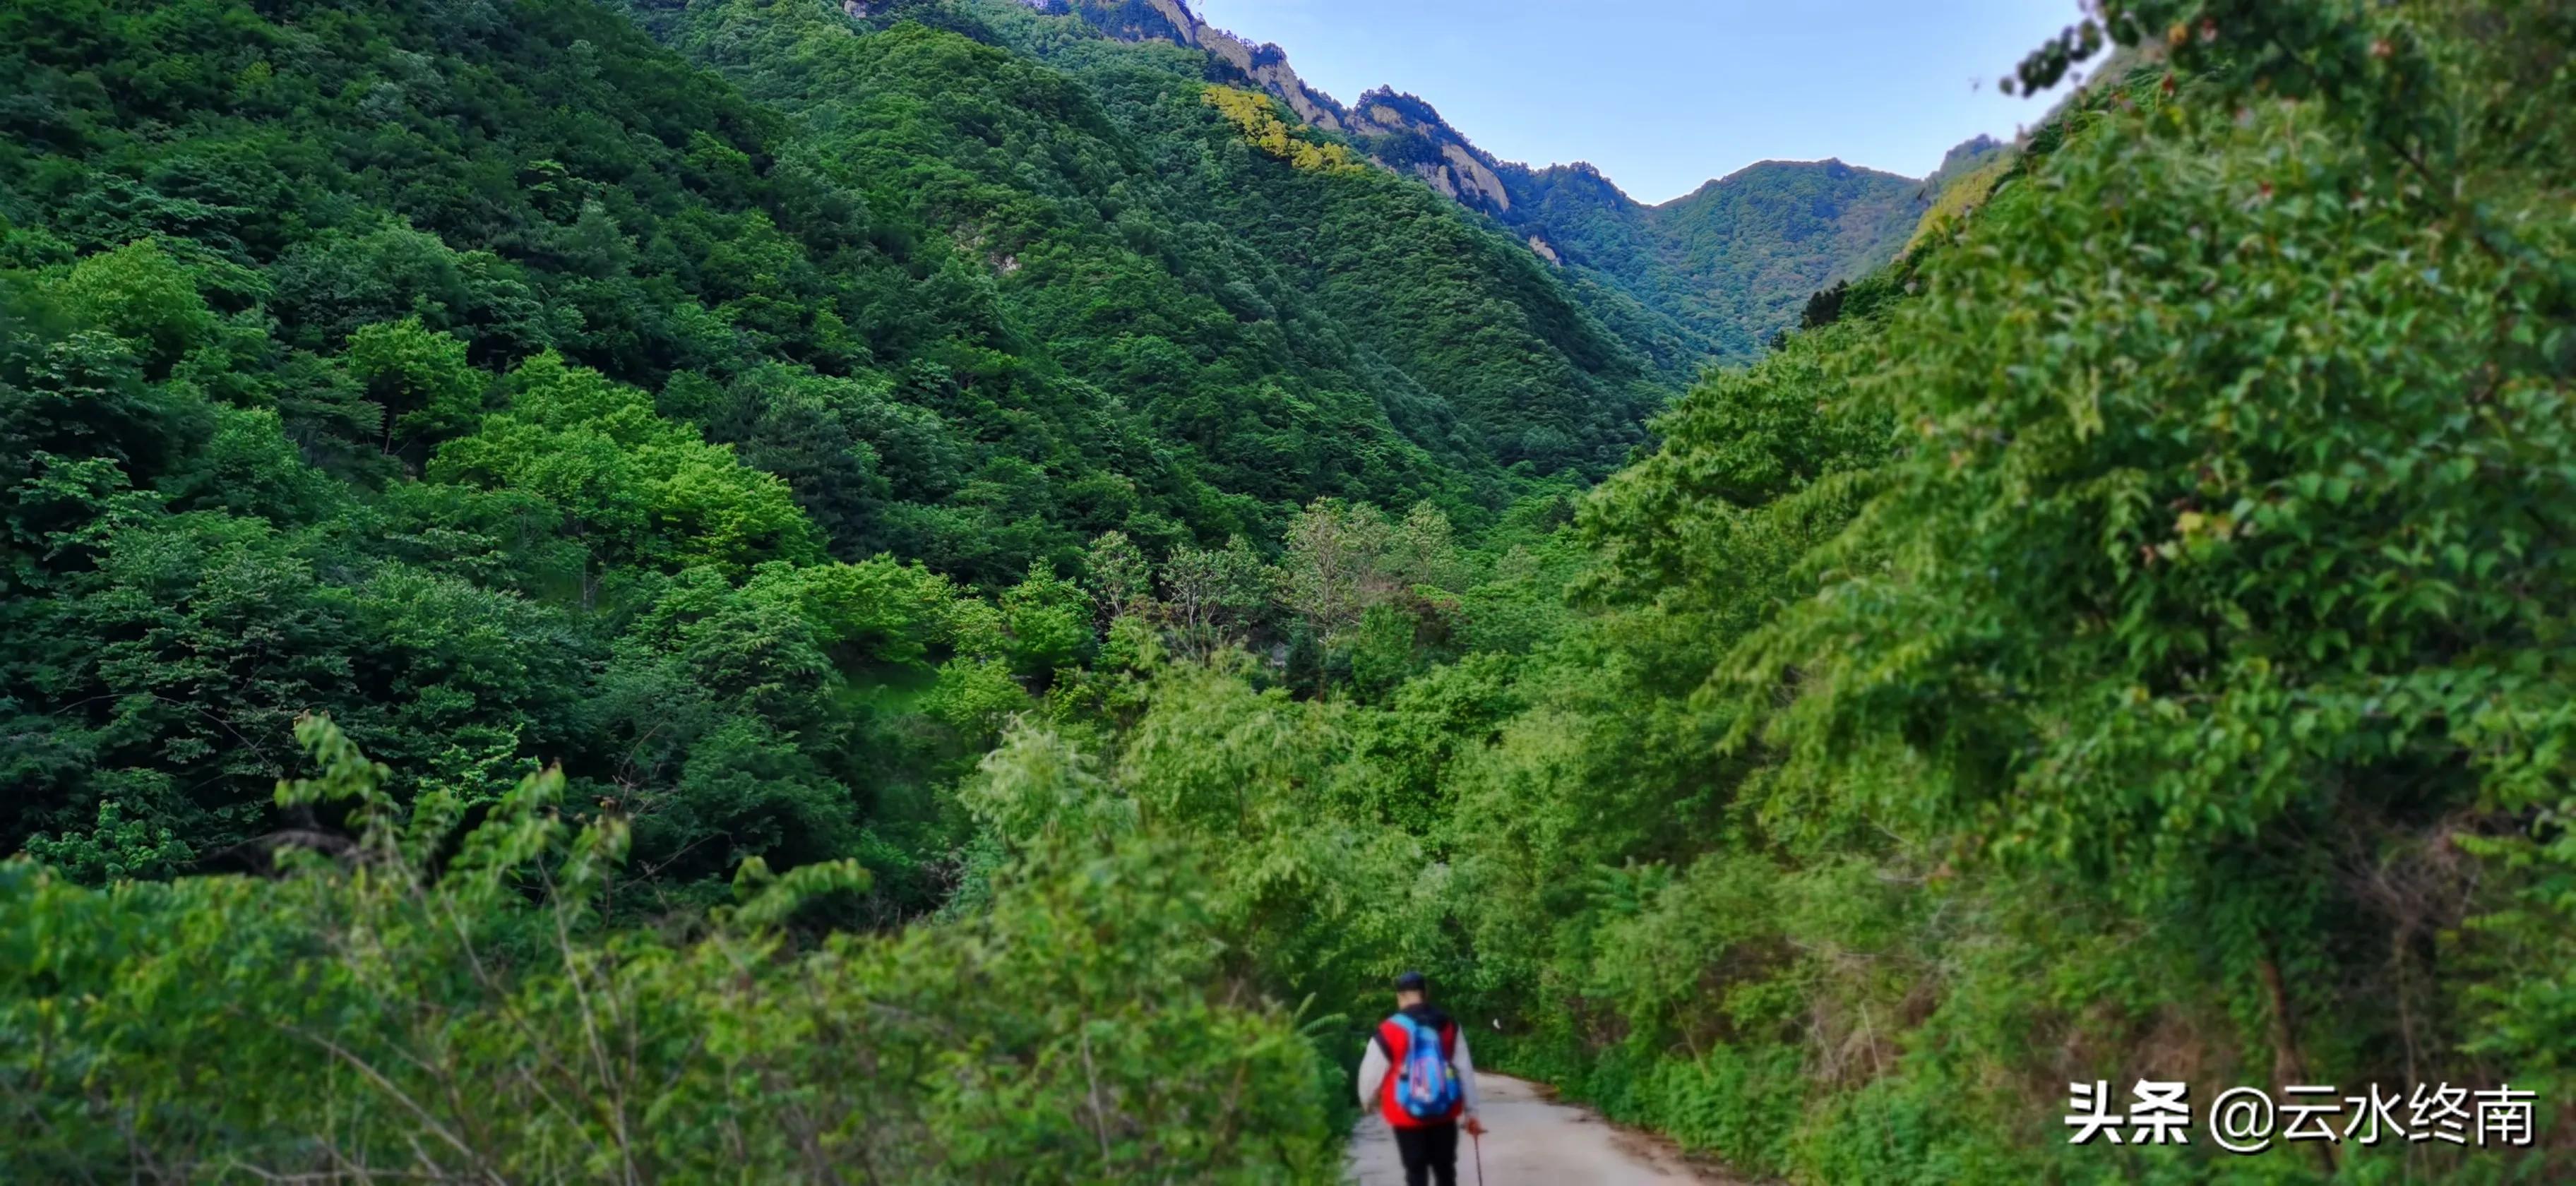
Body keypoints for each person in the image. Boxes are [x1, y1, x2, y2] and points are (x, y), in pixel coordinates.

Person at [1356, 971, 1485, 1186]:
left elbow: (1371, 1072)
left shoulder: (1389, 1029)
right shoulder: (1449, 1025)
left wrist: (1367, 1101)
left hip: (1406, 1113)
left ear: (1400, 996)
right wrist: (1471, 1112)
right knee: (1445, 1171)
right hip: (1444, 1111)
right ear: (1426, 994)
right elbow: (1464, 1069)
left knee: (1416, 1172)